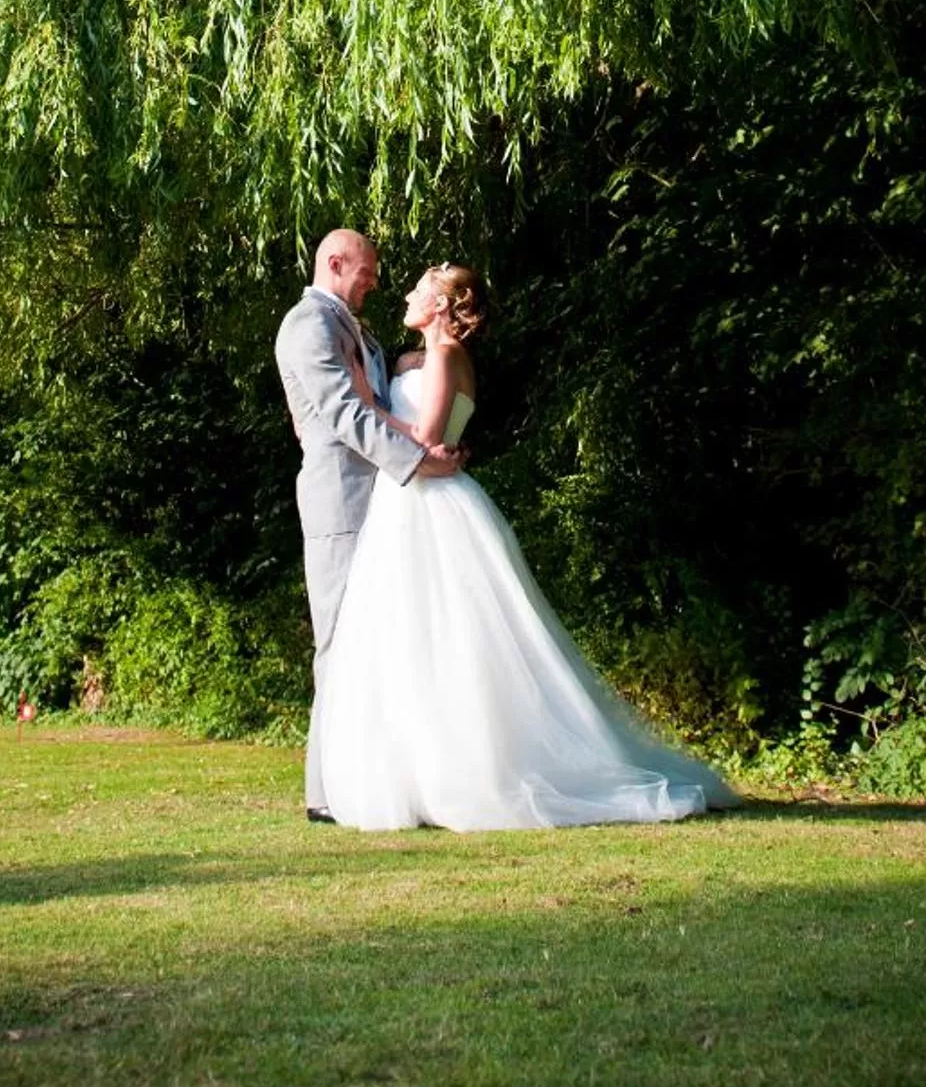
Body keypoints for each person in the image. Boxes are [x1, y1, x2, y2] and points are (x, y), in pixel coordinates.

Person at [315, 262, 742, 831]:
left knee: (455, 637)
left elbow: (427, 440)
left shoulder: (445, 358)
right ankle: (417, 772)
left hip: (429, 502)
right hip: (406, 502)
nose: (408, 297)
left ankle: (470, 771)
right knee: (410, 637)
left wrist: (368, 405)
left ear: (442, 306)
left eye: (421, 291)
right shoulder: (418, 359)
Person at [273, 228, 468, 819]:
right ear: (336, 263)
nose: (377, 281)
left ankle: (375, 780)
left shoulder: (357, 330)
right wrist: (419, 463)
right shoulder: (310, 325)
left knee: (377, 645)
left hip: (380, 502)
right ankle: (325, 793)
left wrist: (430, 399)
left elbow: (385, 402)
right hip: (342, 502)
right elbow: (342, 415)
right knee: (337, 643)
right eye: (368, 270)